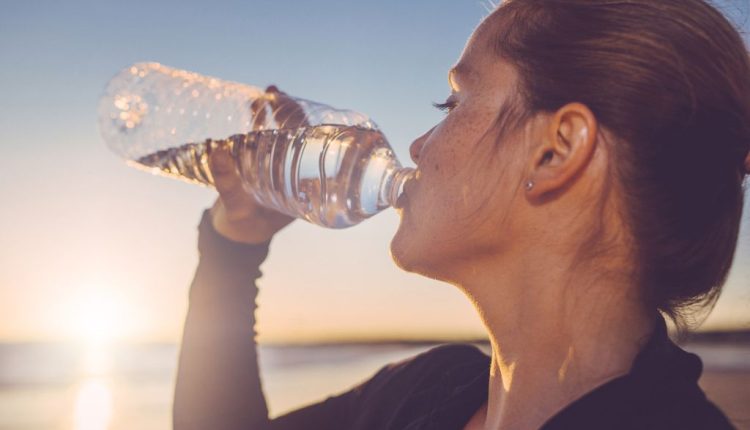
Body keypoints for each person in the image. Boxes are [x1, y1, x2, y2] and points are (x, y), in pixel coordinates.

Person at [173, 0, 750, 428]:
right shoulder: (426, 393)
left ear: (555, 151)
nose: (417, 145)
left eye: (452, 103)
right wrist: (234, 245)